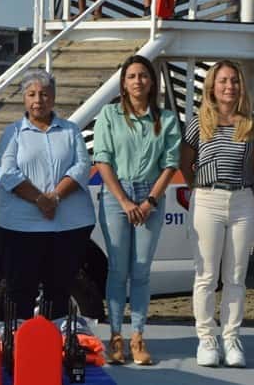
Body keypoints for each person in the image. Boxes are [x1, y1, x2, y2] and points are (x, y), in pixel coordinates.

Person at [93, 55, 181, 365]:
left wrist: (150, 202)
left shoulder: (167, 118)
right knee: (118, 269)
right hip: (117, 195)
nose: (138, 81)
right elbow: (102, 160)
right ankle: (116, 336)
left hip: (151, 195)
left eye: (143, 75)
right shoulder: (109, 114)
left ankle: (138, 336)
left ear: (152, 81)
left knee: (141, 270)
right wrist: (125, 202)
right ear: (124, 82)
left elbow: (171, 164)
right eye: (132, 76)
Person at [0, 69, 94, 321]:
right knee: (19, 290)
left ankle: (52, 348)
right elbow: (6, 172)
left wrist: (55, 197)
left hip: (67, 226)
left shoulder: (70, 130)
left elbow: (82, 166)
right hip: (19, 228)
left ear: (54, 97)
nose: (39, 100)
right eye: (32, 94)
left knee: (58, 290)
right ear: (24, 99)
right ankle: (18, 345)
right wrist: (40, 200)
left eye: (45, 94)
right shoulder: (13, 132)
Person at [180, 60, 254, 368]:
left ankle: (231, 337)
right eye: (224, 81)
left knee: (236, 277)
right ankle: (207, 339)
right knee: (206, 276)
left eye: (235, 81)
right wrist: (201, 189)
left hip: (242, 202)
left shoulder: (252, 124)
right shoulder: (199, 123)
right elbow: (186, 165)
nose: (230, 86)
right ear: (212, 86)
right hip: (208, 199)